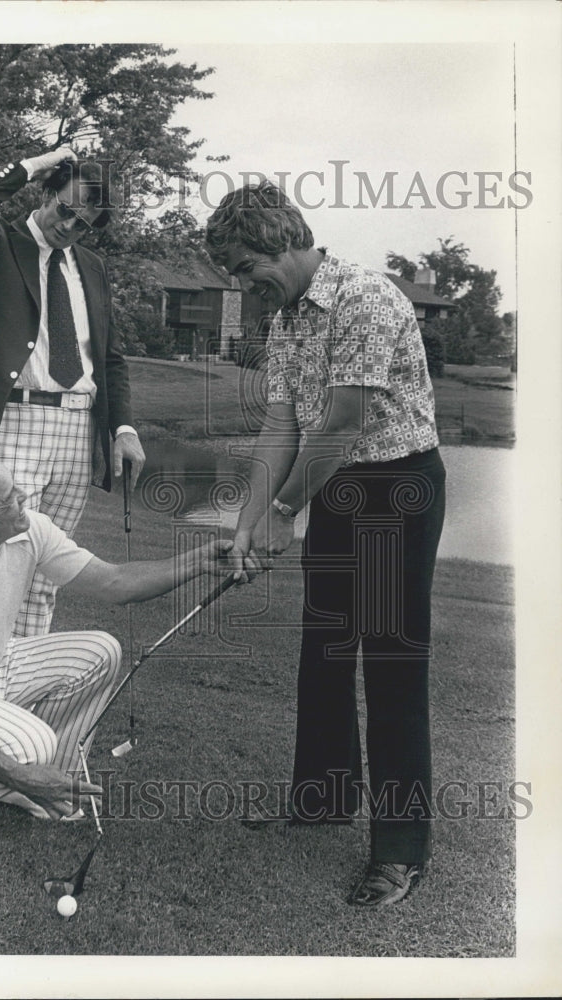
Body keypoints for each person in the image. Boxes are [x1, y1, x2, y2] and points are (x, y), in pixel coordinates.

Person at [206, 181, 446, 908]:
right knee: (326, 648)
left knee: (391, 663)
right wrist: (247, 520)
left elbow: (341, 423)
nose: (247, 289)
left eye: (248, 269)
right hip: (337, 488)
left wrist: (283, 510)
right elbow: (280, 426)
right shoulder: (285, 320)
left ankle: (401, 850)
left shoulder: (368, 298)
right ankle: (321, 798)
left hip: (396, 488)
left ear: (280, 238)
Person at [0, 438, 231, 843]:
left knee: (101, 652)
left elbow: (115, 582)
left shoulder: (30, 530)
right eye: (9, 498)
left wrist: (198, 561)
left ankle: (42, 782)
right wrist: (19, 772)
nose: (23, 496)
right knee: (34, 746)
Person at [0, 147, 146, 637]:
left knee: (45, 570)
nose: (69, 227)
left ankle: (19, 696)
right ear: (48, 192)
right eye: (66, 210)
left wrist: (123, 427)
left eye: (84, 224)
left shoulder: (92, 267)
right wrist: (40, 161)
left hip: (78, 430)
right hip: (12, 421)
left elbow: (109, 357)